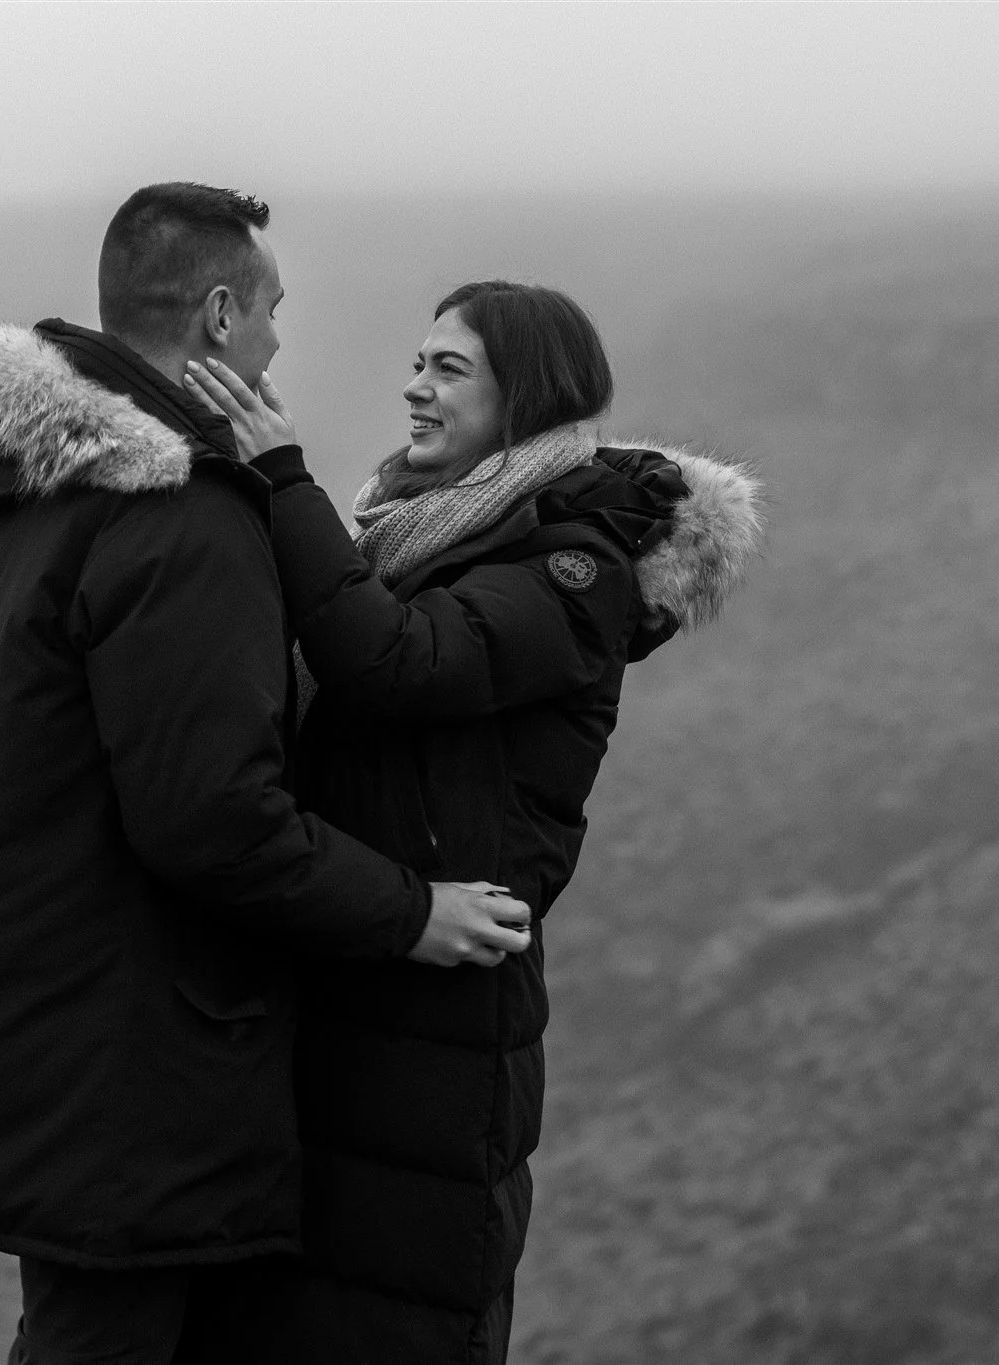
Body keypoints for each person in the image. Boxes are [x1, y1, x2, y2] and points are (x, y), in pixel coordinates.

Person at [0, 186, 535, 1363]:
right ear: (219, 314)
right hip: (132, 1062)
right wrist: (410, 913)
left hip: (5, 1018)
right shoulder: (177, 516)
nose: (281, 340)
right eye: (272, 312)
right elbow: (210, 816)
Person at [184, 280, 763, 1363]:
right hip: (356, 977)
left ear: (525, 398)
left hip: (439, 1036)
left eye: (447, 370)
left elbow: (393, 663)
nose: (412, 386)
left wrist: (280, 480)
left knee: (392, 1316)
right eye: (415, 362)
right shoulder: (429, 533)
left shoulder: (572, 565)